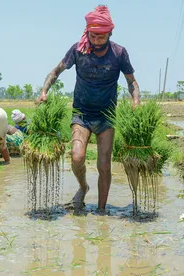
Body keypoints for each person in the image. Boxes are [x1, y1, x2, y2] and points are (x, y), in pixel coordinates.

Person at [37, 5, 140, 212]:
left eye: (101, 37)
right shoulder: (78, 49)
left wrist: (135, 101)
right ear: (87, 32)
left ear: (110, 33)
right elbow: (56, 71)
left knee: (104, 165)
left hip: (106, 116)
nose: (97, 40)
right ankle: (83, 187)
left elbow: (132, 82)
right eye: (93, 36)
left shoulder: (119, 53)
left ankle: (101, 210)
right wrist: (44, 91)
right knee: (77, 157)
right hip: (82, 114)